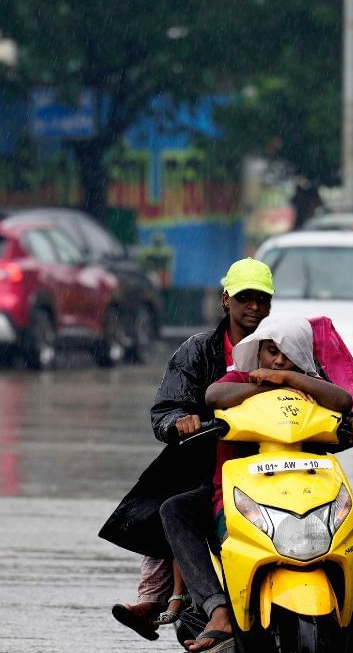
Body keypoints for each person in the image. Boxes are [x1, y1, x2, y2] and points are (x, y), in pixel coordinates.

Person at [161, 315, 353, 653]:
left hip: (308, 498)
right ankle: (218, 610)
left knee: (351, 534)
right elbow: (215, 394)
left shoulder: (312, 387)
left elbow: (343, 402)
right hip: (237, 496)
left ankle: (348, 626)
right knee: (175, 510)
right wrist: (265, 385)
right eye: (271, 351)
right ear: (258, 351)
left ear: (301, 357)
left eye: (288, 355)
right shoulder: (242, 379)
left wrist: (289, 379)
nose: (277, 361)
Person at [103, 258, 275, 642]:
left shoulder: (284, 345)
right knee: (170, 506)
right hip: (212, 465)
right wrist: (181, 420)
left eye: (262, 300)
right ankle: (181, 603)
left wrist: (351, 422)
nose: (254, 308)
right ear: (226, 300)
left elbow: (325, 391)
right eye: (245, 298)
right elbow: (166, 410)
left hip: (283, 466)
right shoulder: (198, 351)